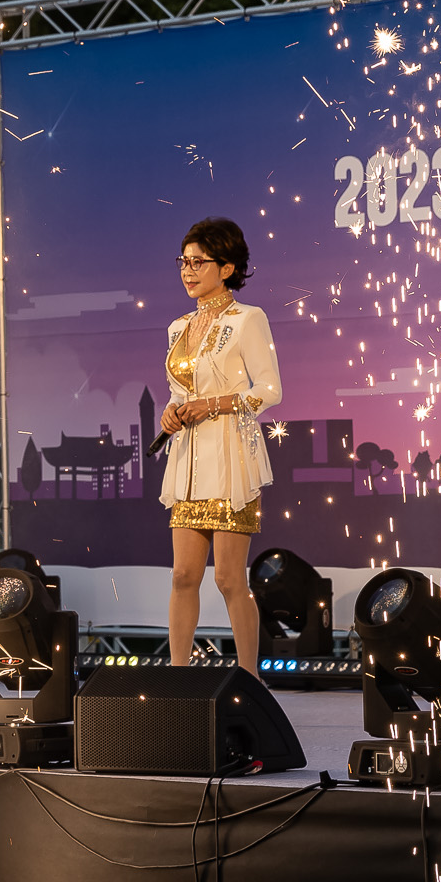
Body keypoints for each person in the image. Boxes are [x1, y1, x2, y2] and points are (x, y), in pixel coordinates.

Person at [159, 217, 281, 671]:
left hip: (231, 457)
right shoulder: (177, 327)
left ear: (227, 268)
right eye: (184, 262)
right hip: (188, 459)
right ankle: (176, 679)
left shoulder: (249, 319)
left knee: (230, 579)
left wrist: (215, 404)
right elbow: (178, 391)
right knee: (183, 575)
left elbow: (269, 390)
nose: (188, 271)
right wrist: (172, 412)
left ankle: (250, 680)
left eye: (199, 263)